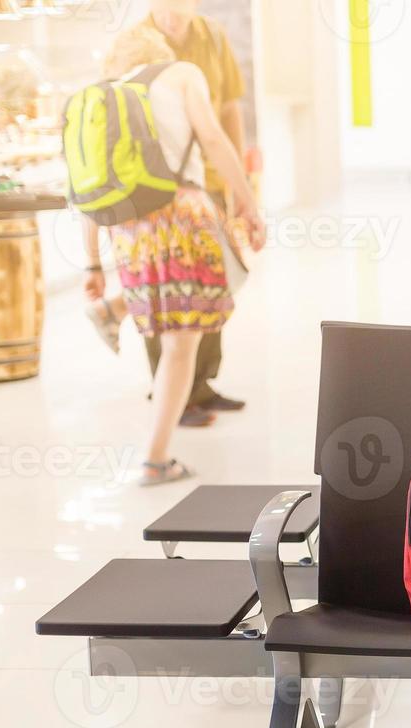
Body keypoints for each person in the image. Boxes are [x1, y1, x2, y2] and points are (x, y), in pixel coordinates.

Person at [82, 24, 265, 486]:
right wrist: (246, 201)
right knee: (180, 344)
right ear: (157, 51)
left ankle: (114, 305)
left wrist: (93, 265)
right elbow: (215, 139)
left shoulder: (102, 95)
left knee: (195, 309)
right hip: (183, 217)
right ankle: (155, 459)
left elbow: (86, 191)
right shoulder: (182, 73)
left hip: (129, 230)